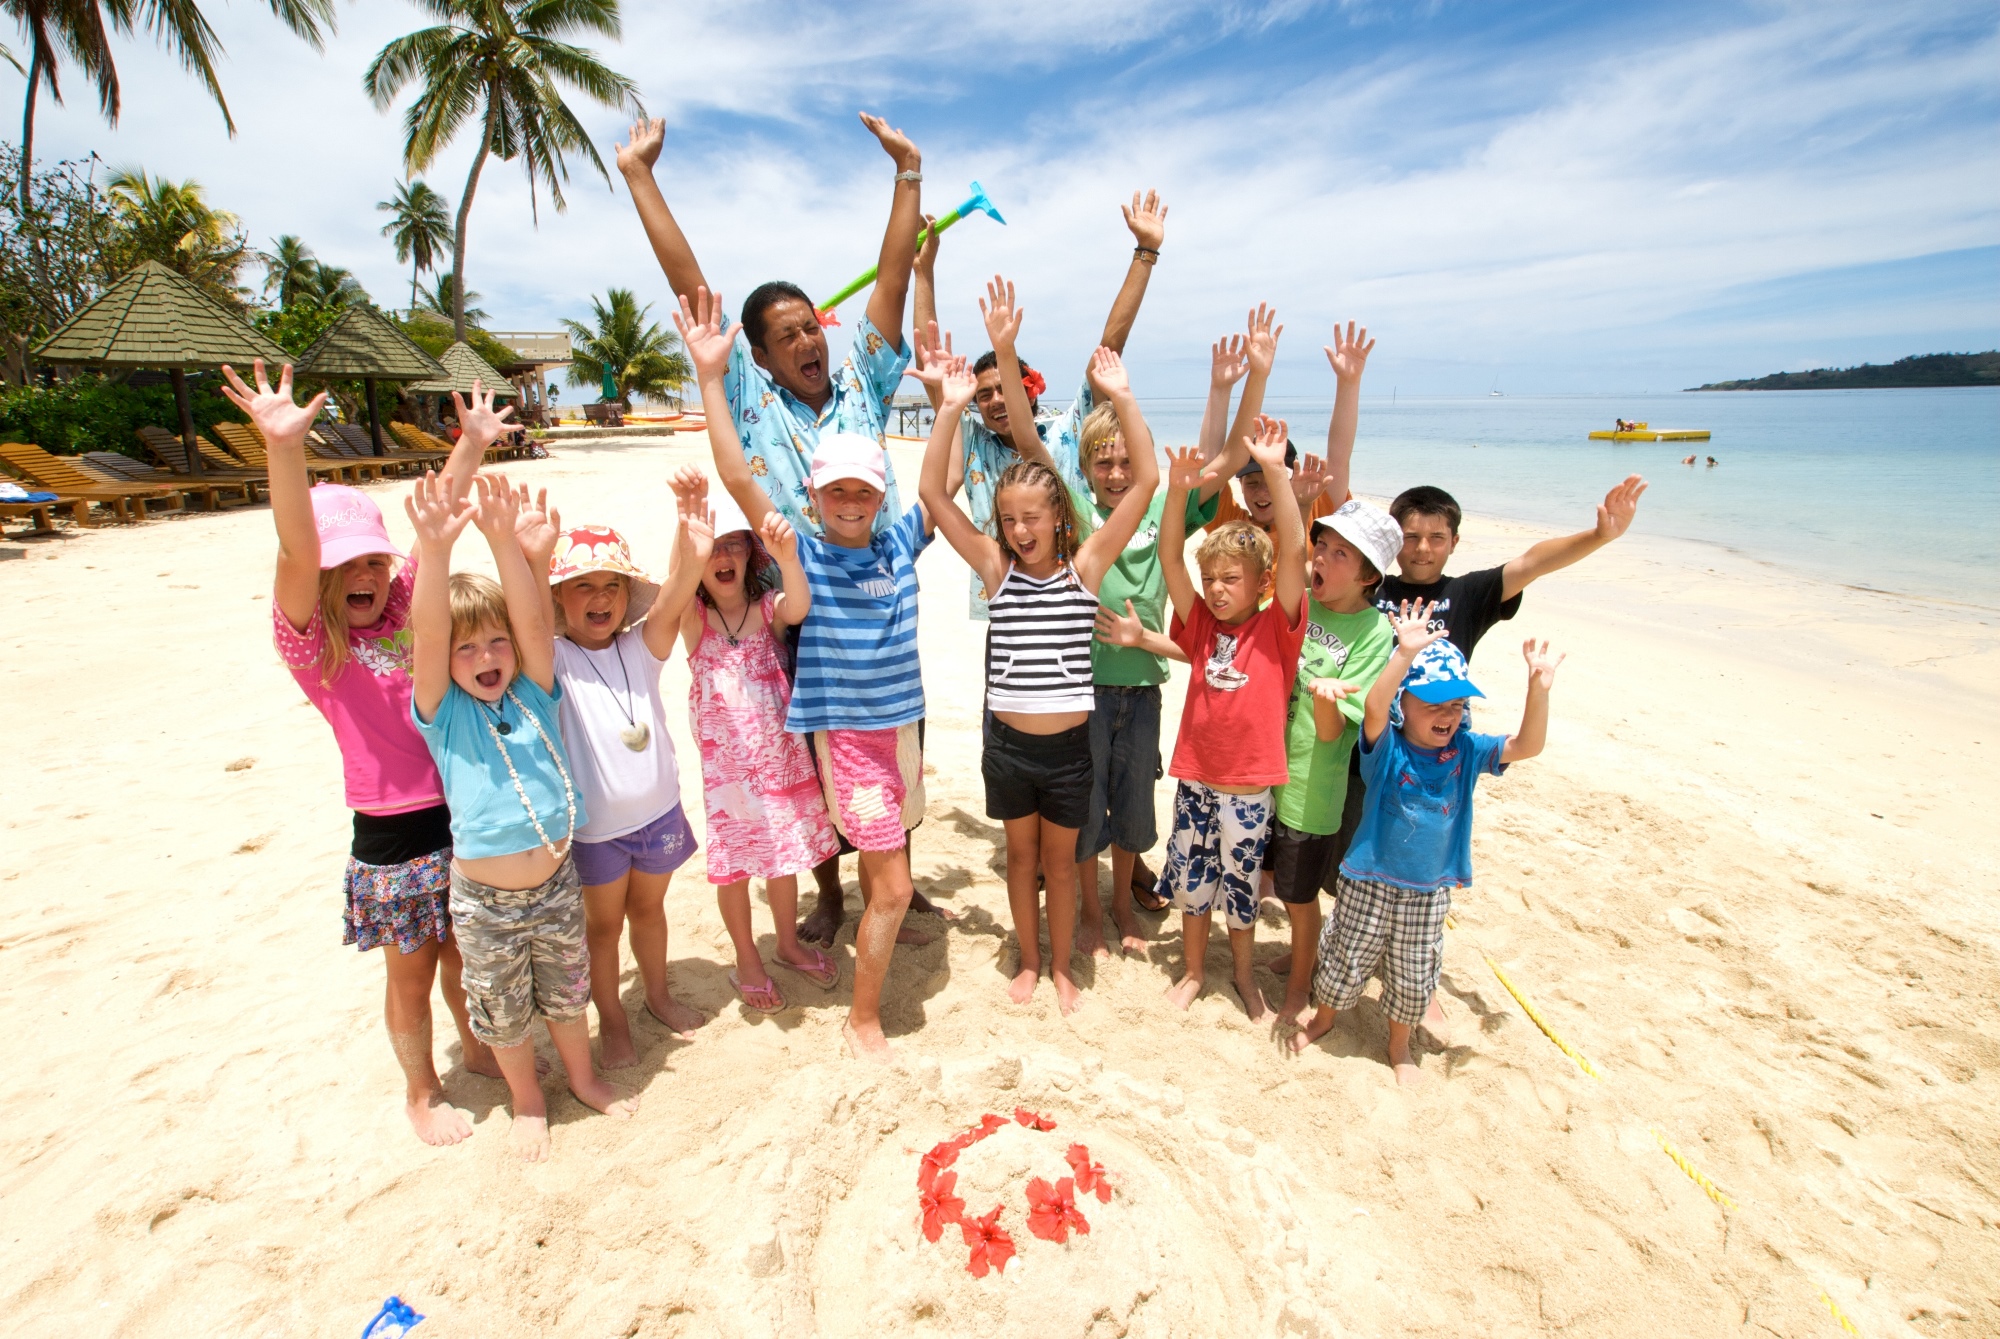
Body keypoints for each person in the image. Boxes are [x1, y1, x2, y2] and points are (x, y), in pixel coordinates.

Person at [619, 111, 950, 950]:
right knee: (813, 754)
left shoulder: (865, 387)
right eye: (789, 334)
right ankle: (835, 892)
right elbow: (691, 287)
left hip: (875, 596)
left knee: (896, 737)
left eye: (813, 326)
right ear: (759, 358)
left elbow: (889, 280)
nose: (809, 339)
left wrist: (908, 174)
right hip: (797, 601)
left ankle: (896, 883)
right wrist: (641, 177)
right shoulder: (750, 395)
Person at [231, 358, 500, 1147]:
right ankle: (422, 1089)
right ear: (318, 581)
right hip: (390, 832)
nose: (366, 572)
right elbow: (292, 547)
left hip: (460, 808)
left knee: (462, 952)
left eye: (374, 559)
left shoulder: (400, 611)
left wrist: (473, 442)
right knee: (409, 969)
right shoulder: (316, 645)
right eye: (344, 564)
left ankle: (478, 1044)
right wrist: (284, 449)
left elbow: (437, 515)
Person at [679, 286, 934, 1063]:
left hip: (900, 735)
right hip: (847, 738)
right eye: (836, 491)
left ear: (879, 496)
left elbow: (939, 492)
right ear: (812, 495)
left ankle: (870, 932)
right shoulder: (803, 558)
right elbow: (736, 471)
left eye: (864, 490)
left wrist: (948, 403)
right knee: (884, 885)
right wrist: (712, 377)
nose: (851, 502)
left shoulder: (894, 545)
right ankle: (864, 1015)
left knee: (896, 857)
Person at [917, 338, 1159, 1014]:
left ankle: (1061, 970)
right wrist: (951, 409)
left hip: (1067, 754)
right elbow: (933, 492)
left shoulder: (1085, 570)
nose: (1021, 529)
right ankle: (1029, 961)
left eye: (1033, 517)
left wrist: (1126, 398)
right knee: (1020, 861)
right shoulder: (996, 571)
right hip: (1009, 749)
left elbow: (1144, 484)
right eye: (1010, 519)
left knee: (1060, 865)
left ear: (1059, 515)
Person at [406, 469, 638, 1160]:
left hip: (557, 885)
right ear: (446, 663)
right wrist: (437, 551)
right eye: (467, 647)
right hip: (486, 903)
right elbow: (426, 631)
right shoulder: (444, 715)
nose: (486, 656)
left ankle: (584, 1076)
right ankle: (527, 1100)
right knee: (504, 1012)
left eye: (495, 642)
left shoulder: (536, 694)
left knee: (568, 995)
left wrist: (505, 541)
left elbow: (534, 621)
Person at [1291, 604, 1564, 1085]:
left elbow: (1527, 746)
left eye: (1456, 705)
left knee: (1415, 977)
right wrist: (1403, 653)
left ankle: (1400, 1048)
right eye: (1433, 703)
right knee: (1344, 959)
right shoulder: (1387, 746)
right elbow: (1374, 707)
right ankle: (1323, 1021)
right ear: (1405, 704)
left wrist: (1537, 691)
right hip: (1368, 880)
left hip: (1429, 891)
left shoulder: (1468, 750)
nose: (1446, 714)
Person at [1071, 332, 1258, 958]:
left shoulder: (1159, 510)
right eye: (1103, 463)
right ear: (1085, 468)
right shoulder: (1073, 507)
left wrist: (1236, 383)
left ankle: (1124, 905)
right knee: (1085, 805)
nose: (1117, 473)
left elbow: (1227, 457)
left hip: (1143, 686)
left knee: (1130, 807)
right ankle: (1091, 913)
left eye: (1127, 461)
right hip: (1083, 685)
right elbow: (1023, 438)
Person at [514, 498, 707, 1070]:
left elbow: (673, 597)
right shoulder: (550, 659)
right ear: (556, 599)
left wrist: (690, 545)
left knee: (650, 911)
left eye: (612, 585)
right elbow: (523, 618)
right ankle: (614, 1019)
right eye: (582, 586)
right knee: (602, 928)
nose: (600, 598)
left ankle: (657, 995)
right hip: (597, 831)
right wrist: (533, 560)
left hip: (661, 814)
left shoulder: (639, 648)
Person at [910, 190, 1170, 615]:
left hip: (1076, 589)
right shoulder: (974, 444)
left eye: (1004, 387)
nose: (996, 401)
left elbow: (1109, 349)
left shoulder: (1068, 430)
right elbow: (931, 359)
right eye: (983, 395)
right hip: (1005, 597)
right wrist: (923, 273)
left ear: (1031, 387)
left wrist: (1145, 252)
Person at [666, 469, 843, 1014]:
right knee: (736, 868)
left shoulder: (767, 613)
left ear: (748, 555)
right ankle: (747, 957)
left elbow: (799, 606)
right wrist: (686, 528)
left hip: (783, 764)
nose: (721, 557)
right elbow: (673, 585)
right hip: (729, 776)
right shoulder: (694, 620)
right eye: (711, 550)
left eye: (732, 547)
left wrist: (788, 556)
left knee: (785, 859)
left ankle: (787, 944)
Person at [1154, 422, 1308, 1020]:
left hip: (1248, 792)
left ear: (1261, 584)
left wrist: (1275, 473)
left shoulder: (1277, 629)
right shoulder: (1199, 630)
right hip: (1195, 781)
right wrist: (1176, 492)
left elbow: (1294, 551)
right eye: (1211, 579)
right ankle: (1194, 973)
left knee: (1241, 895)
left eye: (1230, 580)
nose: (1216, 590)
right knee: (1193, 889)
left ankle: (1243, 977)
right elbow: (1171, 557)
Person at [1262, 499, 1400, 1026]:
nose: (1323, 557)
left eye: (1341, 553)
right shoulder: (1303, 605)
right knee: (1278, 879)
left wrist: (1324, 697)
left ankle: (1302, 985)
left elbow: (1333, 729)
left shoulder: (1373, 632)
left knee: (1299, 899)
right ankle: (1306, 956)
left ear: (1369, 576)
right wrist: (1286, 485)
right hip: (1269, 771)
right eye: (1323, 546)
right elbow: (1291, 554)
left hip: (1311, 788)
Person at [1378, 475, 1647, 660]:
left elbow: (1533, 562)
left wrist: (1600, 536)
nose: (1423, 548)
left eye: (1437, 538)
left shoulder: (1467, 594)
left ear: (1453, 542)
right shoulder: (1370, 588)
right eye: (1411, 537)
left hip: (1442, 729)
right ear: (1395, 539)